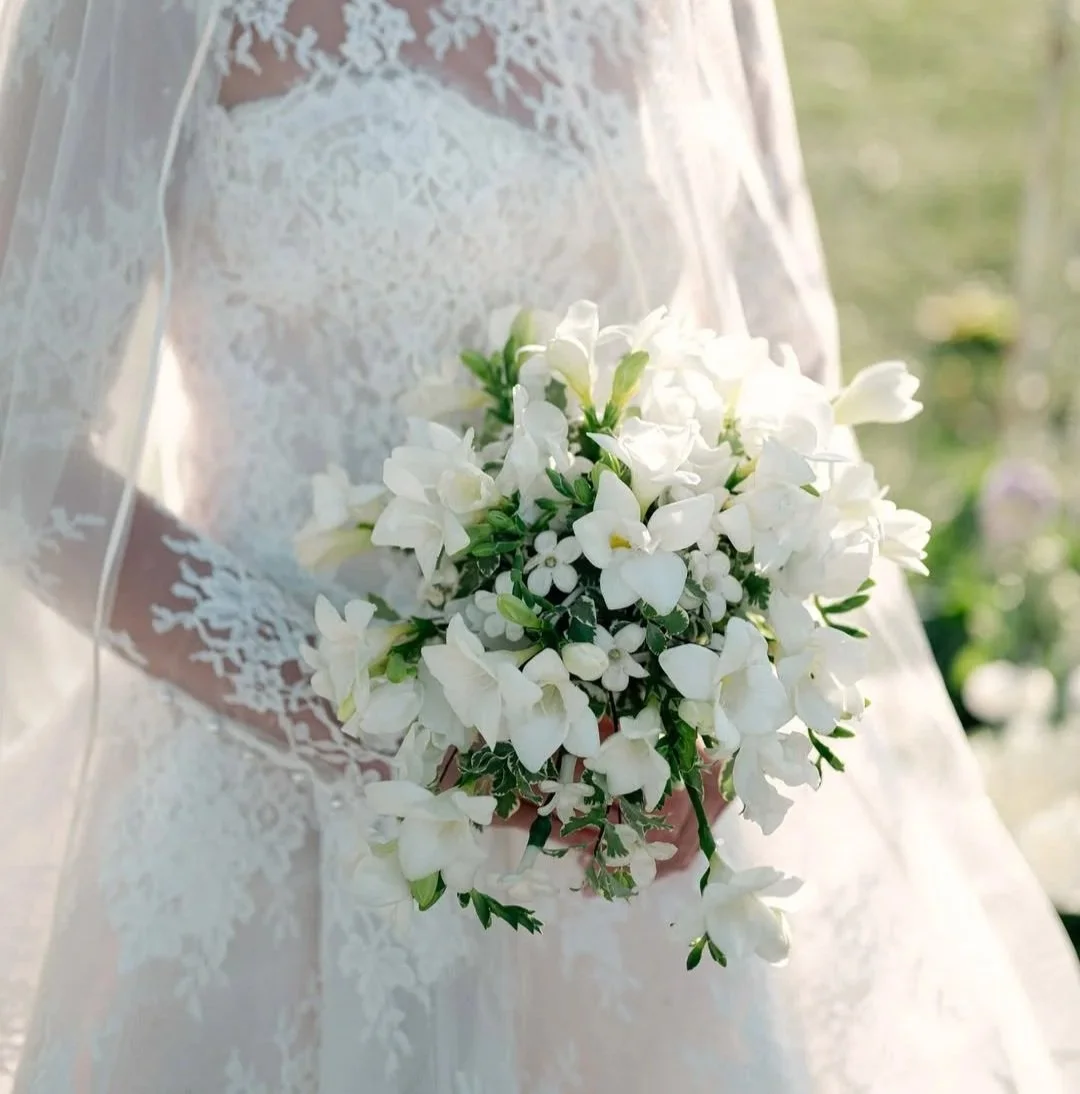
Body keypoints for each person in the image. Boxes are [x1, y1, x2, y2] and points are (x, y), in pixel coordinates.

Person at [1, 1, 1078, 1091]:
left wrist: (716, 659)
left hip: (631, 807)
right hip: (268, 808)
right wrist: (385, 725)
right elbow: (19, 447)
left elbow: (787, 360)